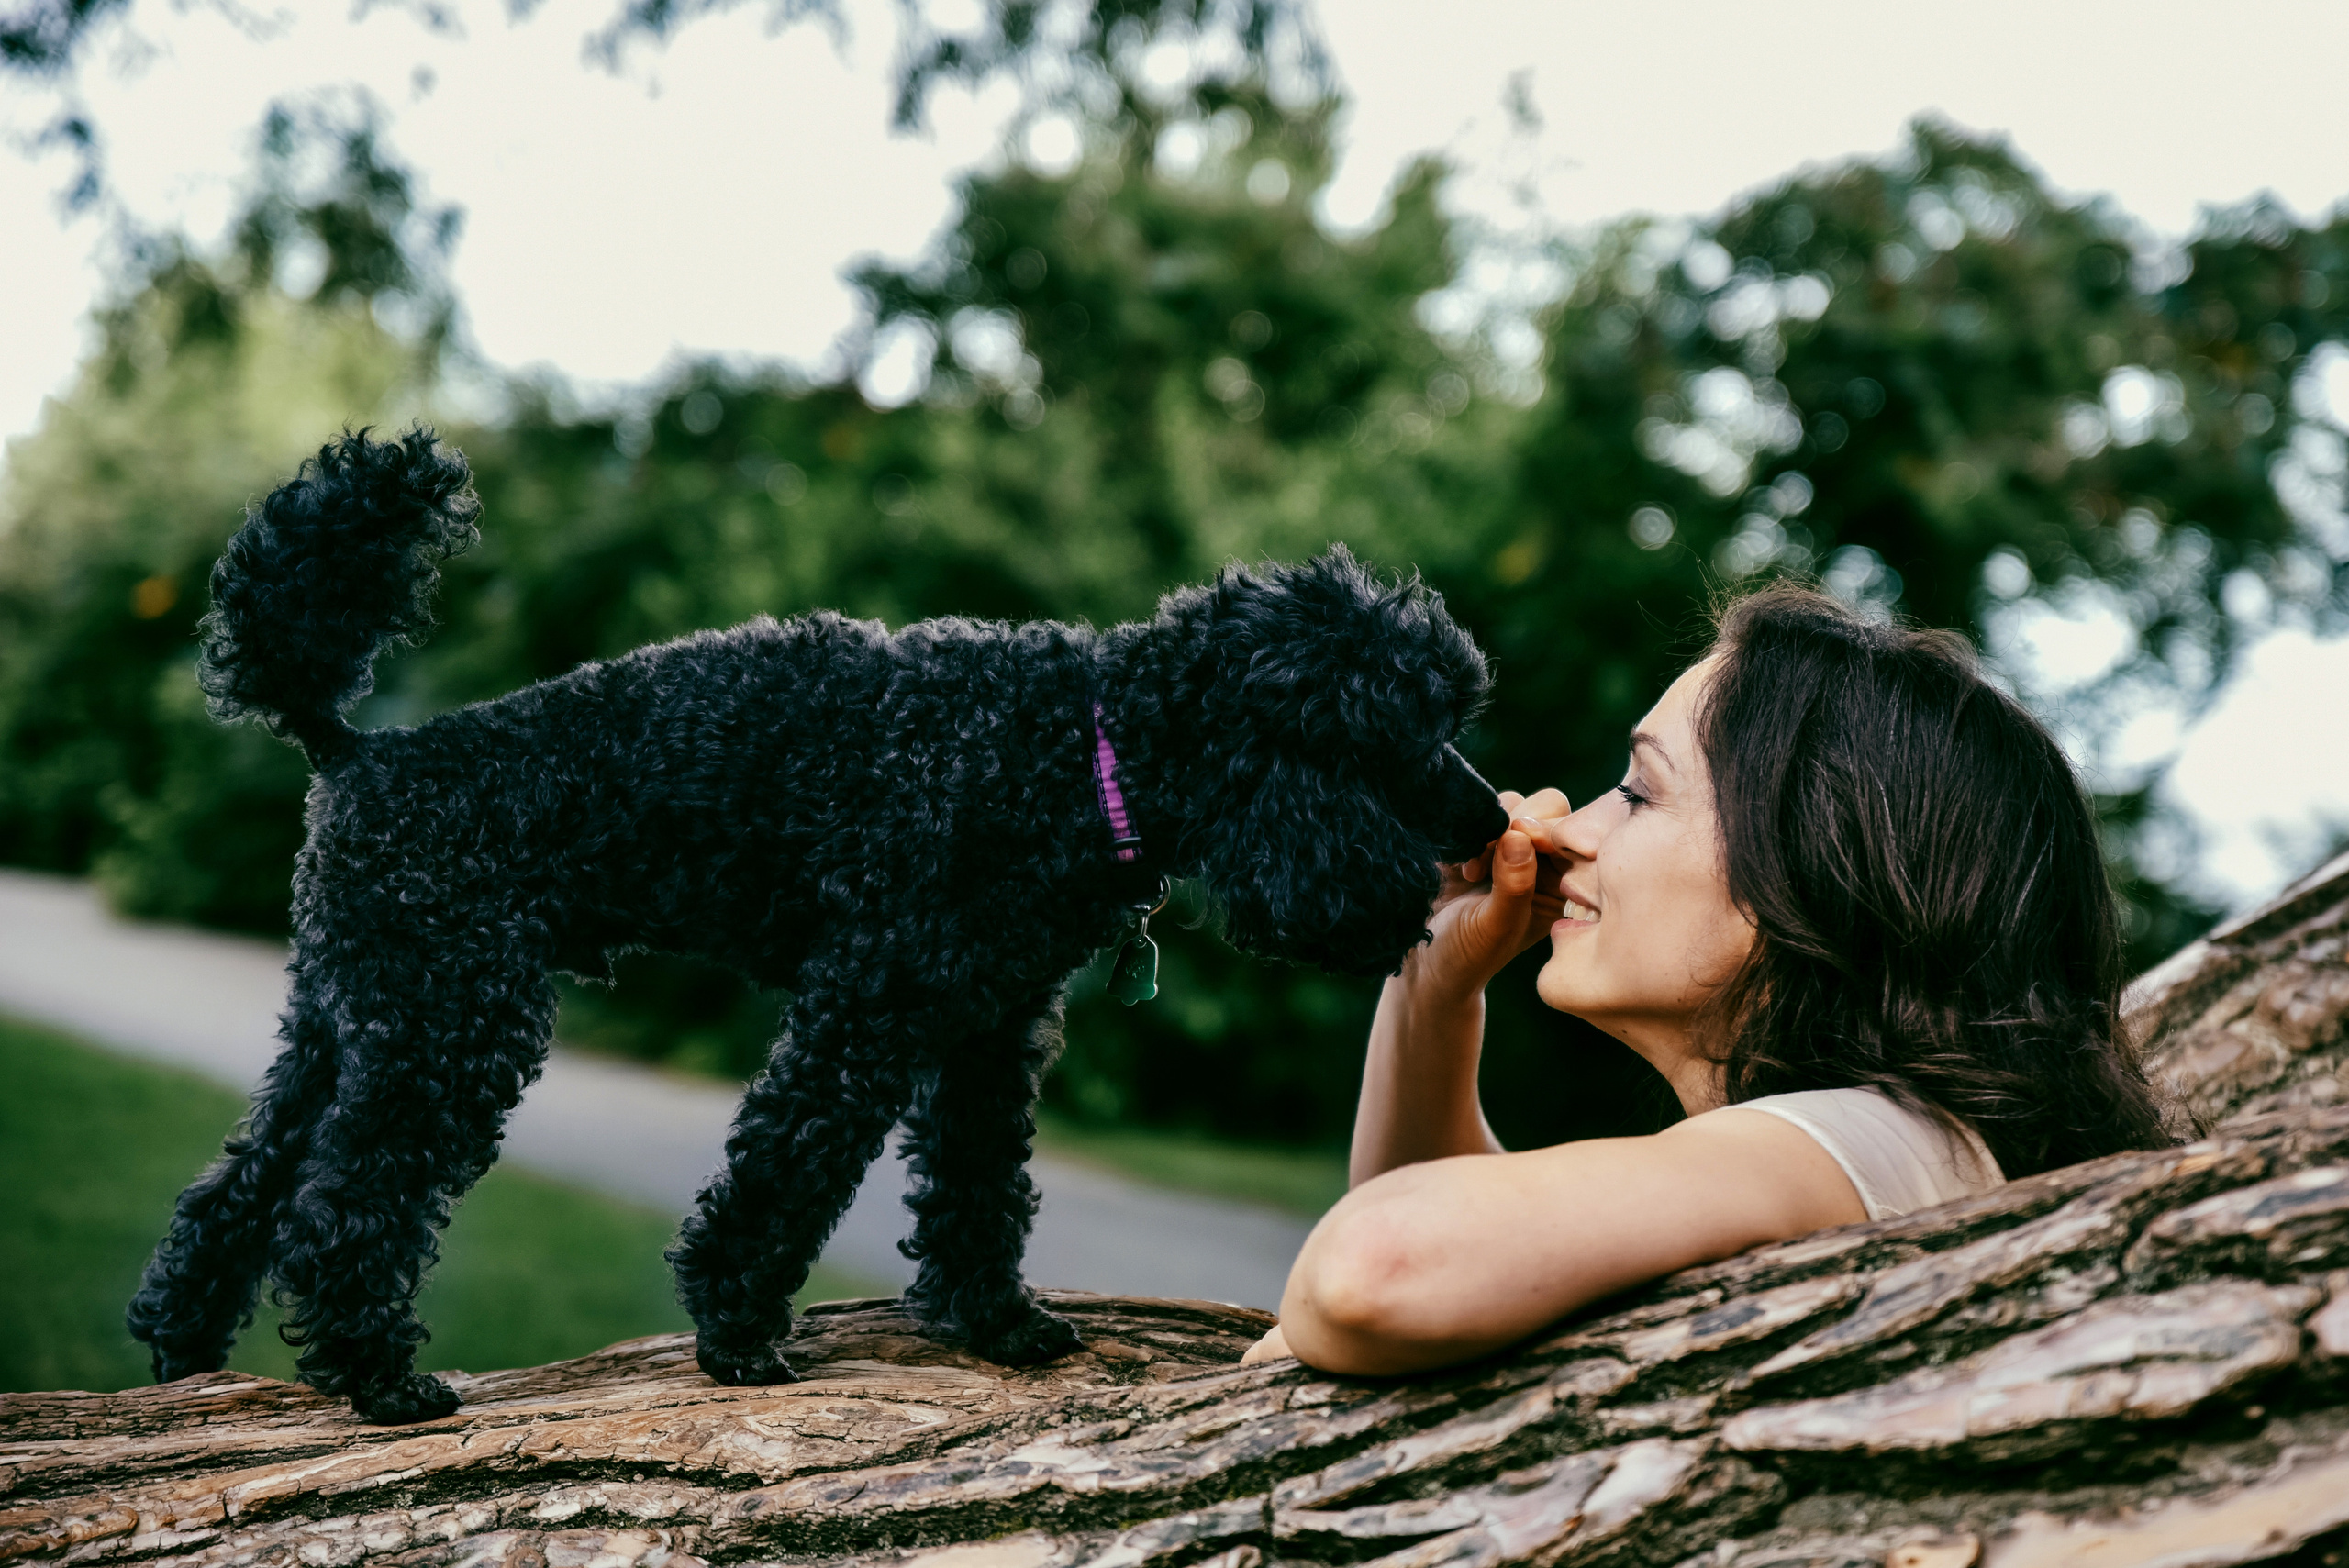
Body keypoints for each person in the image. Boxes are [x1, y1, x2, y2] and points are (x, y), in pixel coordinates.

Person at [1243, 583, 2176, 1374]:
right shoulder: (1876, 1149)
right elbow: (1434, 1231)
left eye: (1640, 793)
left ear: (1808, 876)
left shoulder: (1875, 1135)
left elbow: (1382, 1264)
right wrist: (1434, 978)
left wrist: (1317, 1330)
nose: (1569, 829)